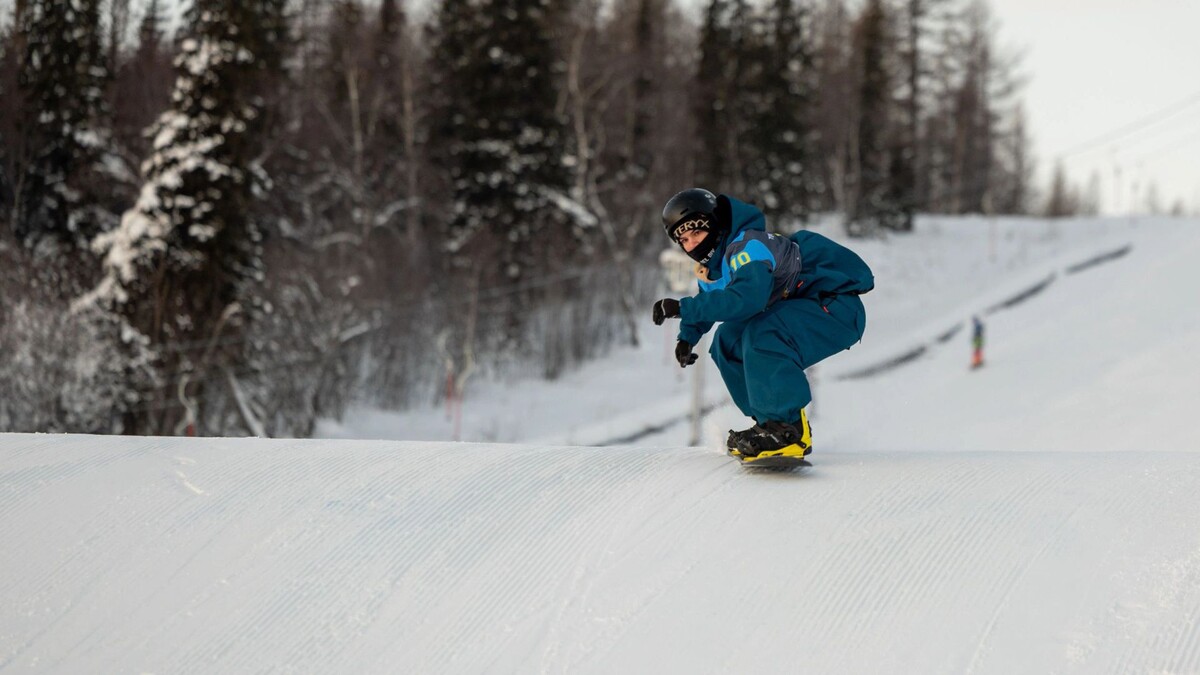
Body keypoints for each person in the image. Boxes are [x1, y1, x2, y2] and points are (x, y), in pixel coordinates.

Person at [652, 188, 874, 461]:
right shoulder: (715, 268)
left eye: (696, 233)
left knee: (764, 332)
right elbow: (710, 300)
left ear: (716, 223)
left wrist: (682, 308)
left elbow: (748, 299)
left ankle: (785, 428)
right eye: (683, 240)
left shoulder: (749, 247)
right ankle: (770, 424)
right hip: (802, 308)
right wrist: (687, 336)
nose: (691, 245)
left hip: (835, 307)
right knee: (727, 341)